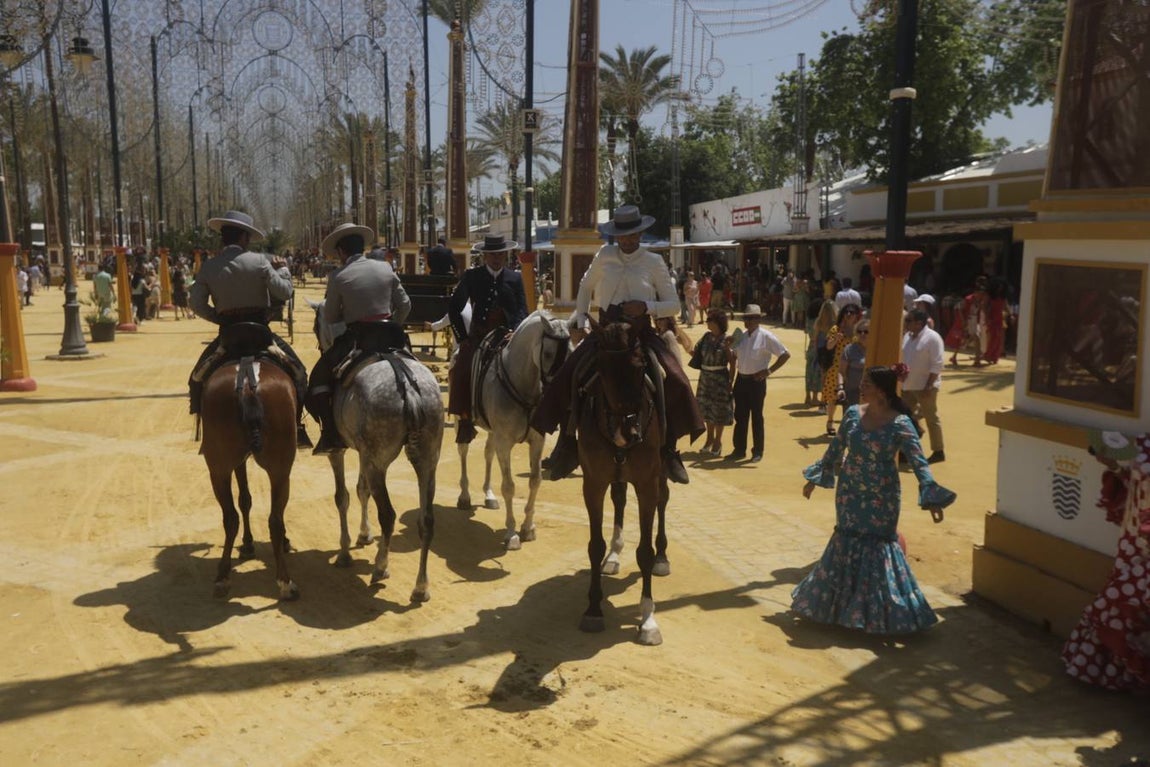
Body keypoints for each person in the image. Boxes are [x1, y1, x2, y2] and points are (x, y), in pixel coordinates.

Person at [533, 204, 705, 484]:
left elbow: (673, 305)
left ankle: (670, 449)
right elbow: (585, 286)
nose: (628, 240)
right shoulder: (605, 255)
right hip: (606, 331)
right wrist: (581, 319)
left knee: (674, 378)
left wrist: (647, 306)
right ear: (617, 236)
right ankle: (567, 444)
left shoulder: (654, 262)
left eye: (633, 235)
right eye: (623, 236)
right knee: (570, 374)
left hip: (640, 333)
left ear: (640, 234)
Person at [792, 364, 955, 634]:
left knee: (878, 547)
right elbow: (835, 449)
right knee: (846, 540)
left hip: (883, 497)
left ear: (881, 390)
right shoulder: (853, 415)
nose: (862, 387)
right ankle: (841, 610)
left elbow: (919, 462)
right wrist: (815, 478)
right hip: (850, 493)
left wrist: (932, 497)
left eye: (867, 383)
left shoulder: (900, 423)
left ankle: (882, 614)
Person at [187, 210, 311, 446]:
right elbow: (284, 292)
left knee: (195, 379)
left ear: (224, 238)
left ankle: (205, 432)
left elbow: (195, 303)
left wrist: (218, 317)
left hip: (228, 337)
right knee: (299, 373)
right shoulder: (261, 262)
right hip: (261, 335)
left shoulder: (209, 267)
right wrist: (283, 270)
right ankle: (297, 424)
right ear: (244, 238)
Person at [306, 223, 411, 454]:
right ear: (362, 248)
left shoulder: (338, 276)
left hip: (358, 339)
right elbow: (405, 305)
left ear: (342, 252)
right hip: (391, 336)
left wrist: (351, 311)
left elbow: (331, 317)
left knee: (318, 379)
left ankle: (330, 433)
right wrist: (393, 324)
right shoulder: (385, 268)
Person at [1062, 431, 1150, 691]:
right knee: (1116, 603)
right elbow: (1131, 478)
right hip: (1134, 539)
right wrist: (1113, 463)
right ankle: (1114, 672)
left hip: (1140, 543)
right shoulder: (1142, 443)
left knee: (1118, 601)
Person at [447, 234, 529, 444]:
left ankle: (533, 414)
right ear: (484, 256)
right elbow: (454, 307)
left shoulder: (516, 278)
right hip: (479, 335)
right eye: (492, 254)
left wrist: (516, 330)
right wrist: (462, 337)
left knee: (534, 366)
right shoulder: (472, 276)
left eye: (500, 254)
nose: (496, 258)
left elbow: (522, 309)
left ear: (505, 255)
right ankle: (465, 418)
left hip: (508, 335)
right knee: (461, 367)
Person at [725, 304, 790, 463]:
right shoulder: (740, 335)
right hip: (741, 379)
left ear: (757, 319)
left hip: (756, 381)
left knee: (756, 417)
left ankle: (758, 451)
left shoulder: (767, 336)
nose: (746, 321)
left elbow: (785, 354)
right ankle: (739, 450)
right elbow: (732, 357)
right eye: (745, 318)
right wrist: (727, 346)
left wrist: (768, 371)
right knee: (740, 416)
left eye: (749, 318)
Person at [901, 308, 946, 464]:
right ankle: (904, 451)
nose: (905, 323)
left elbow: (937, 364)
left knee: (931, 418)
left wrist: (929, 385)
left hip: (926, 386)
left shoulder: (933, 338)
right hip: (908, 385)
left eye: (908, 321)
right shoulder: (907, 336)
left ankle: (938, 451)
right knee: (903, 418)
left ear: (919, 323)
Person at [691, 309, 734, 457]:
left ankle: (717, 441)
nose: (707, 322)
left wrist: (730, 381)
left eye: (710, 320)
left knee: (719, 410)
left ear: (718, 323)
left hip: (720, 378)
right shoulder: (706, 337)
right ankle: (709, 439)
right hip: (705, 377)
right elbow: (694, 353)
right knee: (706, 410)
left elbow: (732, 362)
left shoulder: (727, 339)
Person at [822, 304, 863, 436]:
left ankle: (847, 425)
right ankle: (830, 421)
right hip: (837, 367)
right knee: (834, 397)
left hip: (854, 368)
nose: (849, 315)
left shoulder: (860, 330)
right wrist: (836, 339)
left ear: (857, 315)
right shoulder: (836, 329)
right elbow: (828, 347)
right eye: (846, 312)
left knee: (851, 397)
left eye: (852, 312)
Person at [840, 319, 869, 407]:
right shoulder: (849, 349)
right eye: (859, 331)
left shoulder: (876, 349)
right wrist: (840, 388)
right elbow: (841, 372)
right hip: (852, 393)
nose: (862, 334)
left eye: (866, 331)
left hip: (871, 395)